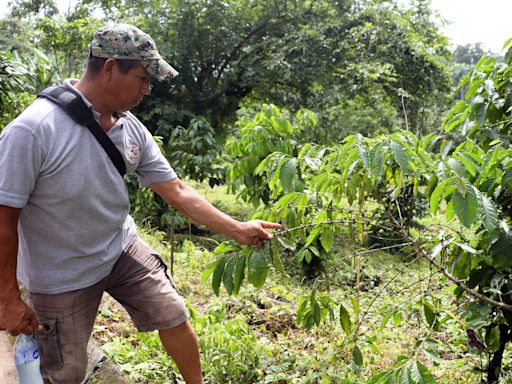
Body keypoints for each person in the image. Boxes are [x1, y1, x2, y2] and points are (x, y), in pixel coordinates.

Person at [0, 23, 281, 384]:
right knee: (65, 372)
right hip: (61, 274)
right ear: (110, 68)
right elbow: (4, 217)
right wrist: (7, 297)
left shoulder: (130, 127)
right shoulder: (34, 130)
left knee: (173, 313)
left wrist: (238, 229)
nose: (148, 89)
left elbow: (175, 189)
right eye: (143, 78)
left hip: (119, 247)